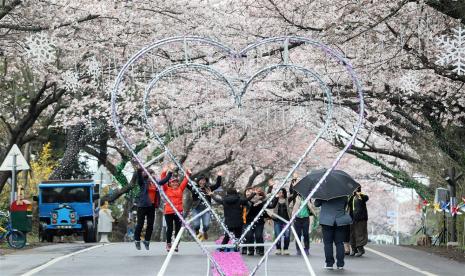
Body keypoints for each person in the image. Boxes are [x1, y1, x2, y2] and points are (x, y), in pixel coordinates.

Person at [134, 165, 172, 250]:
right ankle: (137, 240)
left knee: (150, 225)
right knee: (140, 224)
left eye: (153, 174)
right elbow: (139, 177)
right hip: (142, 206)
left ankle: (147, 241)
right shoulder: (143, 182)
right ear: (147, 175)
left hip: (151, 206)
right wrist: (139, 170)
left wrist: (170, 173)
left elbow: (164, 181)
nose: (153, 176)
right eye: (150, 174)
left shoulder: (155, 183)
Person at [315, 196, 352, 270]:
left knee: (328, 243)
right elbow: (345, 205)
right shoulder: (343, 195)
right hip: (339, 220)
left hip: (327, 221)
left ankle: (329, 264)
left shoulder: (324, 193)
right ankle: (340, 264)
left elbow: (316, 204)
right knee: (339, 243)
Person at [161, 168, 191, 252]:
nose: (175, 183)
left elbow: (185, 180)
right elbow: (163, 180)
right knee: (169, 228)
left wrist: (188, 173)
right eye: (173, 182)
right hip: (169, 212)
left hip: (178, 212)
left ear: (178, 183)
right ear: (170, 183)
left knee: (178, 228)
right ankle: (168, 244)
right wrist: (164, 172)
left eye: (176, 182)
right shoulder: (166, 189)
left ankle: (176, 244)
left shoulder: (180, 188)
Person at [187, 171, 223, 241]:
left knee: (206, 225)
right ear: (198, 181)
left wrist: (219, 176)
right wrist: (187, 174)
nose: (202, 182)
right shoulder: (194, 188)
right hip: (196, 208)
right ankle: (197, 230)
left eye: (204, 181)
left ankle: (204, 231)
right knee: (196, 224)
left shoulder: (208, 188)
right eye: (201, 180)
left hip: (206, 209)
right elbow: (185, 184)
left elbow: (217, 185)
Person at [266, 180, 293, 255]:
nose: (280, 193)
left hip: (286, 221)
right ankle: (278, 248)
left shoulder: (287, 200)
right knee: (278, 235)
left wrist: (293, 183)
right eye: (279, 192)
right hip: (277, 221)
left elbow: (293, 194)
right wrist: (270, 187)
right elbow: (268, 196)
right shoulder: (275, 200)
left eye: (281, 192)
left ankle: (285, 249)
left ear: (284, 193)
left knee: (287, 235)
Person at [289, 177, 314, 256]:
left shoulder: (307, 197)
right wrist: (293, 183)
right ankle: (298, 249)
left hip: (306, 218)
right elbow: (292, 192)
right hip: (297, 218)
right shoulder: (296, 198)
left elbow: (311, 207)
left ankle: (306, 249)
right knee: (298, 234)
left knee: (306, 234)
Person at [244, 187, 268, 256]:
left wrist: (260, 201)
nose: (249, 193)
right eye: (247, 192)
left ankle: (260, 249)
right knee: (249, 235)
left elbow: (266, 199)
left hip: (259, 221)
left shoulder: (261, 200)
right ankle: (251, 250)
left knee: (258, 235)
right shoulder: (246, 201)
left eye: (250, 191)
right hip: (248, 221)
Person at [348, 186, 369, 257]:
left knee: (359, 233)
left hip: (361, 219)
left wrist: (359, 194)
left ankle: (360, 249)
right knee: (352, 234)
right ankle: (353, 249)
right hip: (352, 218)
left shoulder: (362, 196)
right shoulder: (351, 197)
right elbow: (348, 205)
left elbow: (366, 198)